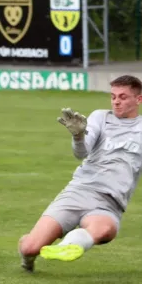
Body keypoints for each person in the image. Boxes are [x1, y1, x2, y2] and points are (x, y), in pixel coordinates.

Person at [18, 75, 142, 273]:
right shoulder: (101, 118)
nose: (116, 101)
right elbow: (81, 153)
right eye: (113, 96)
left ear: (138, 99)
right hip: (79, 191)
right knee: (30, 247)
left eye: (123, 97)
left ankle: (68, 246)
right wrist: (78, 136)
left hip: (109, 202)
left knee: (105, 230)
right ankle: (28, 254)